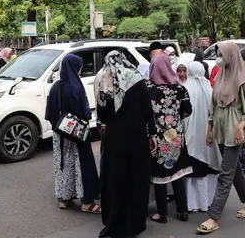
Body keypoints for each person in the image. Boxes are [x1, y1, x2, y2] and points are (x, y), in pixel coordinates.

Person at [197, 42, 245, 234]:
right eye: (218, 54)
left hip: (234, 132)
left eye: (221, 55)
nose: (219, 58)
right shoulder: (221, 76)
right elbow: (214, 105)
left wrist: (241, 125)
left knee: (225, 173)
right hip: (221, 130)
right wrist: (210, 127)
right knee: (234, 168)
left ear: (231, 56)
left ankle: (213, 216)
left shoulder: (243, 81)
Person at [95, 50, 156, 238]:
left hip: (114, 136)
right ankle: (134, 221)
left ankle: (114, 218)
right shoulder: (135, 77)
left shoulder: (102, 78)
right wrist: (152, 133)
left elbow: (102, 114)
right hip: (135, 135)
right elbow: (147, 109)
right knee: (135, 175)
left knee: (115, 176)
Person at [44, 54, 101, 213]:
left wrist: (60, 126)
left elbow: (49, 113)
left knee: (63, 165)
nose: (81, 70)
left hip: (59, 135)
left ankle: (64, 199)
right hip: (77, 135)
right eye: (80, 66)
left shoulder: (55, 87)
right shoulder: (77, 87)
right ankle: (87, 202)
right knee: (81, 167)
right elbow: (85, 113)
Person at [147, 53, 192, 224]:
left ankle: (162, 213)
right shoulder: (179, 88)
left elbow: (145, 114)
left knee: (160, 176)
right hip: (175, 136)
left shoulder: (148, 89)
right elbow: (188, 110)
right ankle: (182, 211)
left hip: (157, 137)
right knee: (177, 172)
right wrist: (174, 119)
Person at [183, 62, 222, 213]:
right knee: (208, 167)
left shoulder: (186, 88)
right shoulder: (209, 89)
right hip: (209, 136)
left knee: (193, 169)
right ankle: (208, 200)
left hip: (191, 137)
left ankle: (192, 203)